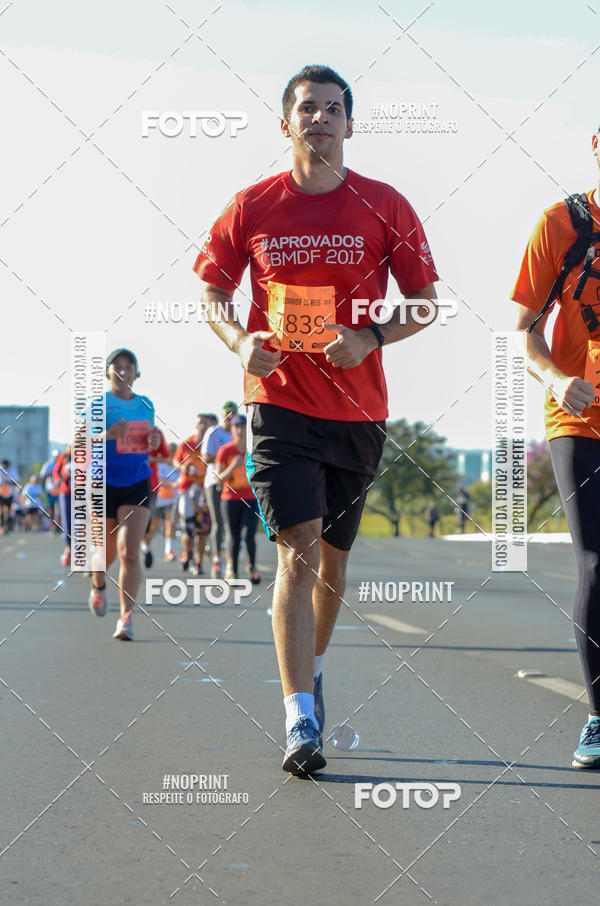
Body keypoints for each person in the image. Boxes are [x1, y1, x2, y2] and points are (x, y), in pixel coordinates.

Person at [194, 64, 438, 774]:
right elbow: (211, 291)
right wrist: (241, 340)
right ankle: (300, 719)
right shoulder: (253, 205)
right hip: (277, 405)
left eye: (333, 109)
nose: (321, 118)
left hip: (359, 411)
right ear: (286, 122)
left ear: (350, 124)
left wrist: (371, 338)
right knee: (296, 552)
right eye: (308, 108)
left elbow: (424, 300)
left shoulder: (385, 204)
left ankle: (317, 666)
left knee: (332, 565)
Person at [512, 136, 600, 769]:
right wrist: (554, 378)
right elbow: (523, 331)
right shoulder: (562, 224)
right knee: (597, 561)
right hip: (581, 418)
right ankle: (599, 715)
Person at [88, 348, 160, 641]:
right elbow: (80, 442)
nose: (123, 371)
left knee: (129, 552)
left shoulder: (145, 404)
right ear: (108, 372)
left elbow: (148, 441)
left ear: (136, 373)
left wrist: (154, 440)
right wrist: (107, 435)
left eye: (129, 366)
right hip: (103, 482)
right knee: (103, 555)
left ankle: (126, 617)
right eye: (117, 366)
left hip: (136, 482)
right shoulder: (98, 405)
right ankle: (98, 586)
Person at [215, 414, 260, 583]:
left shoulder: (253, 450)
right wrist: (233, 466)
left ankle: (252, 566)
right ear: (232, 429)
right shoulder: (225, 451)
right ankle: (233, 571)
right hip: (230, 499)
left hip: (250, 498)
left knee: (249, 535)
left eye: (243, 426)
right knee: (233, 537)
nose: (240, 430)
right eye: (236, 427)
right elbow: (219, 479)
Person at [201, 402, 237, 578]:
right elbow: (206, 457)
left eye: (233, 414)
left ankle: (230, 563)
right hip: (214, 481)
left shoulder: (239, 433)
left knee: (231, 525)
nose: (230, 418)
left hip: (233, 483)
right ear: (223, 416)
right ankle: (217, 560)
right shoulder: (214, 432)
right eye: (227, 415)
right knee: (218, 522)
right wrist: (226, 459)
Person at [173, 414, 212, 574]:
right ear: (195, 426)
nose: (202, 425)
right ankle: (188, 552)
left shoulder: (212, 446)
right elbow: (175, 462)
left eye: (205, 423)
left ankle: (198, 562)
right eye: (200, 423)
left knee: (202, 529)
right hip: (186, 490)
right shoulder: (186, 444)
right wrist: (183, 467)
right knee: (187, 528)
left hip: (204, 491)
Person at [141, 426, 172, 568]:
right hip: (126, 484)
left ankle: (146, 548)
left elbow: (166, 457)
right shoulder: (122, 427)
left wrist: (148, 457)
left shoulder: (155, 432)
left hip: (150, 486)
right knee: (131, 524)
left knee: (148, 526)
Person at [53, 448, 72, 565]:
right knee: (67, 522)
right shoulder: (64, 455)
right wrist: (59, 480)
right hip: (66, 493)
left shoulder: (89, 453)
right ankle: (68, 549)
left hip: (84, 494)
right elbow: (56, 471)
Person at [0, 459, 19, 534]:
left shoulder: (13, 470)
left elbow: (16, 482)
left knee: (7, 511)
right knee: (1, 510)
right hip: (0, 493)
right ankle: (1, 526)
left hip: (9, 494)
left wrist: (8, 482)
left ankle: (6, 526)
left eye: (6, 466)